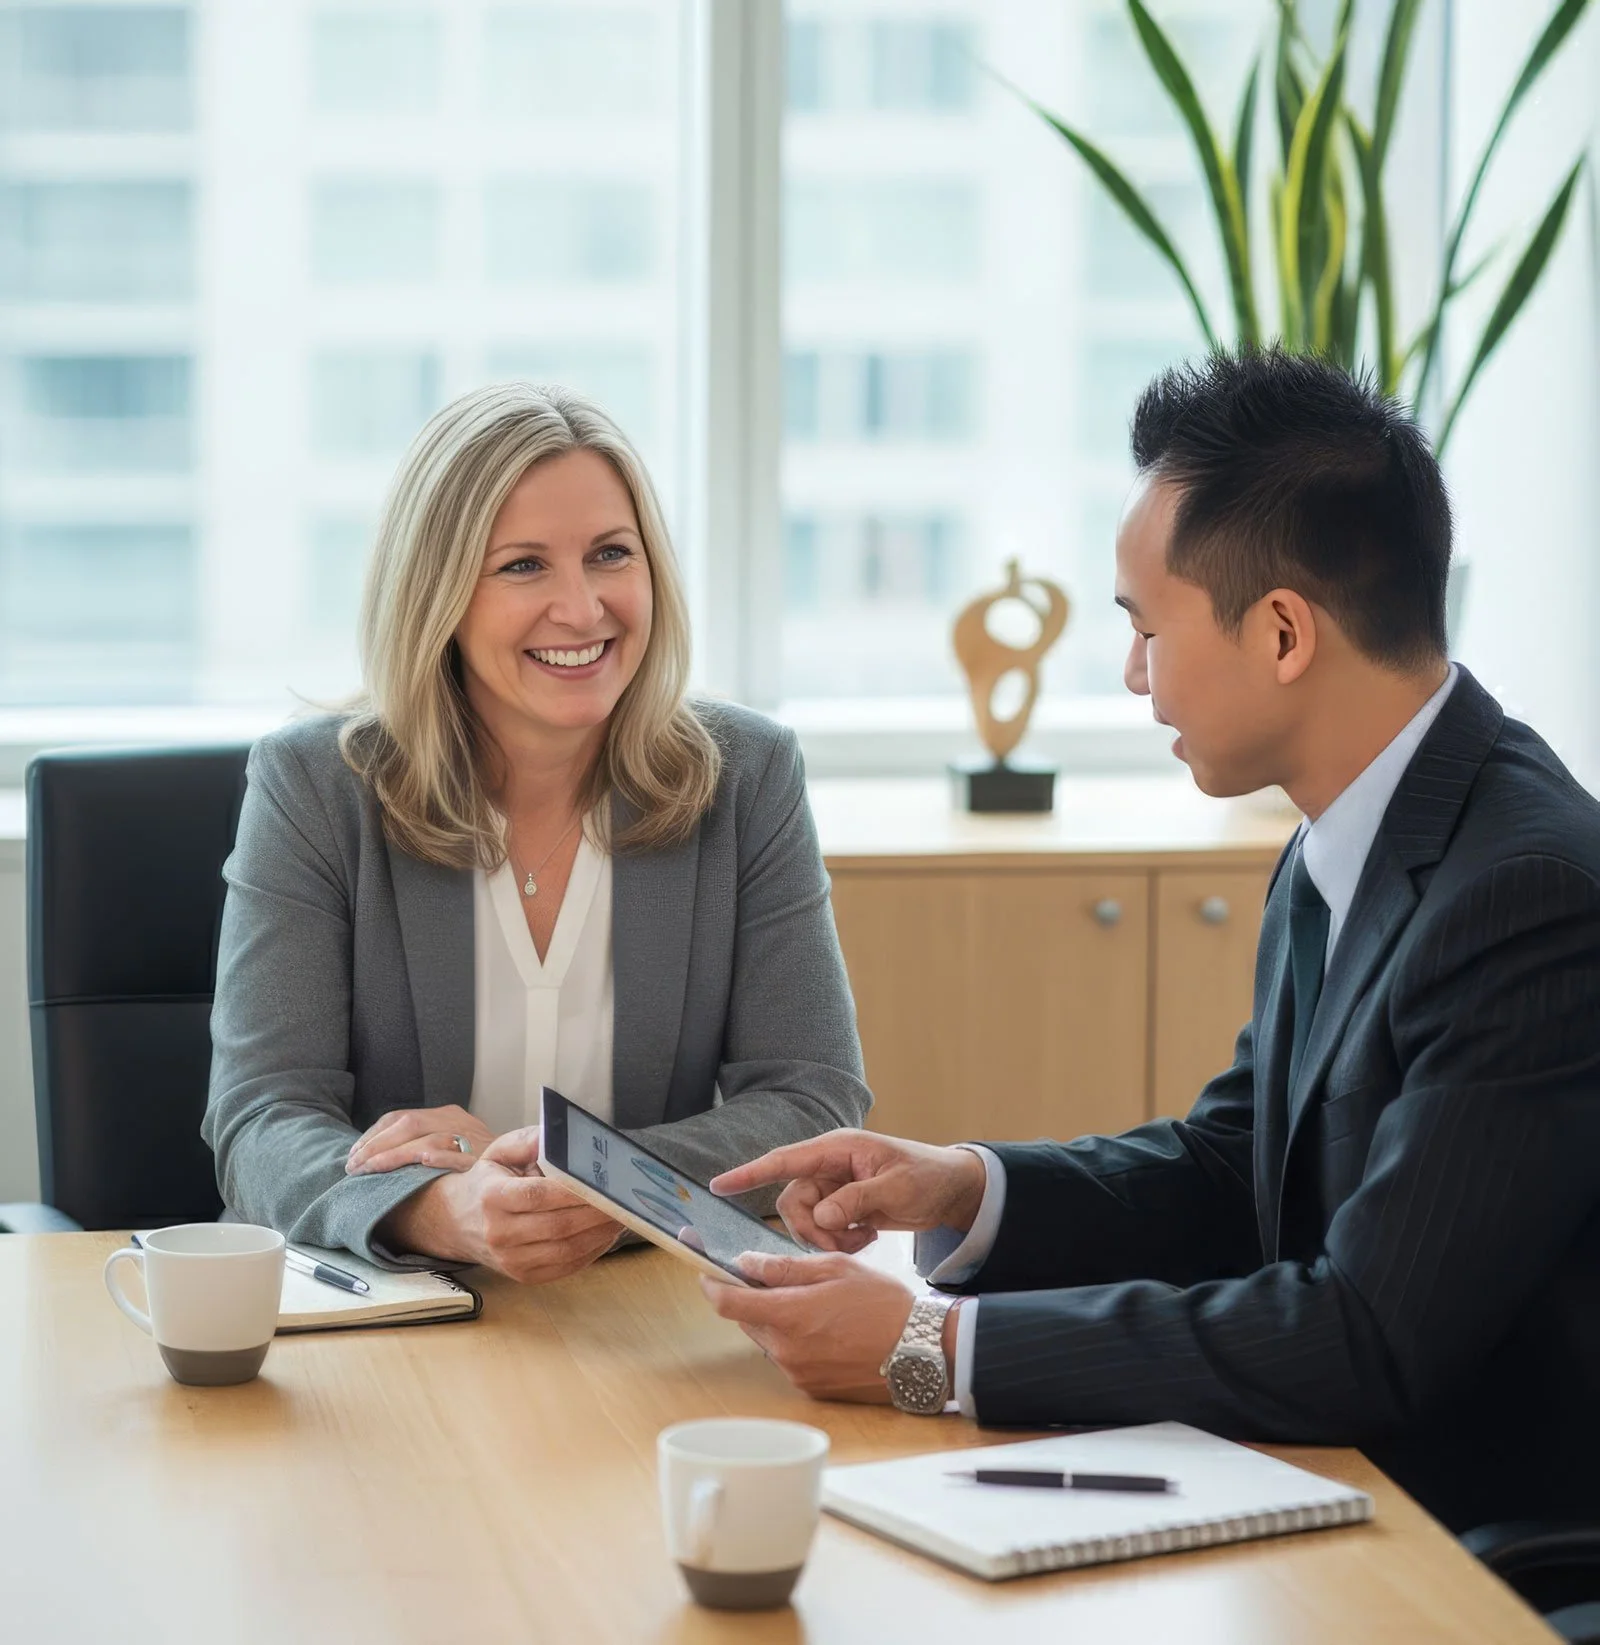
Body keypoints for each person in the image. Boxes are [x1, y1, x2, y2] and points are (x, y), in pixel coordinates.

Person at [703, 348, 1600, 1534]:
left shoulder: (1525, 890)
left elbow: (1368, 1334)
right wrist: (970, 1185)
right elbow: (1241, 1166)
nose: (1133, 676)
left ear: (1283, 632)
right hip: (1341, 1489)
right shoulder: (1357, 828)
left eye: (1144, 629)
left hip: (1479, 1551)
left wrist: (932, 1346)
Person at [203, 382, 870, 1282]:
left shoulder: (745, 776)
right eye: (523, 565)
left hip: (637, 1303)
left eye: (610, 554)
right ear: (439, 592)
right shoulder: (318, 787)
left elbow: (814, 1098)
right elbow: (260, 1115)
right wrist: (441, 1208)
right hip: (396, 1306)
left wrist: (591, 1182)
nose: (583, 607)